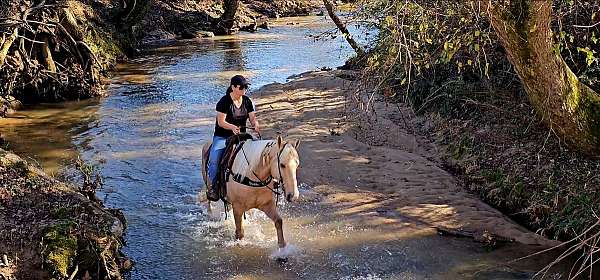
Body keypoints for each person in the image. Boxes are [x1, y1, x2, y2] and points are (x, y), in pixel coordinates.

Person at [207, 74, 260, 200]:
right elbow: (221, 122)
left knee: (260, 152)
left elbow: (252, 118)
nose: (244, 89)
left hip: (242, 136)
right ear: (233, 87)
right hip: (223, 137)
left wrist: (256, 124)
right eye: (241, 87)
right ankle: (213, 187)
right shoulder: (224, 102)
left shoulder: (247, 101)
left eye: (245, 87)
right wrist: (232, 127)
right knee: (214, 160)